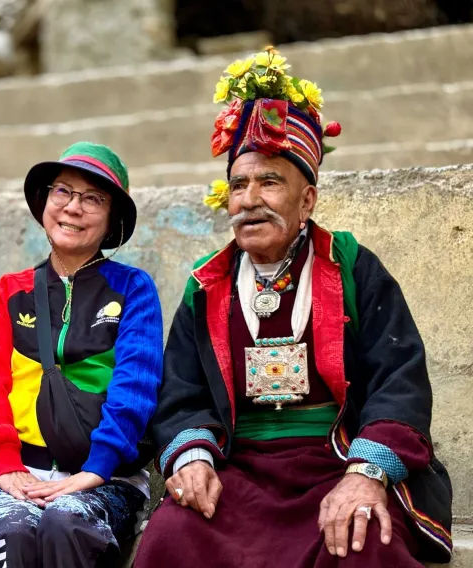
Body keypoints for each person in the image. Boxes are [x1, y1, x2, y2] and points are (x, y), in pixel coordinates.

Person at [134, 48, 453, 567]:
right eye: (239, 185)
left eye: (269, 182)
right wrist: (192, 457)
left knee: (361, 540)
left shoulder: (351, 266)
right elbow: (181, 392)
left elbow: (399, 378)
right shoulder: (207, 284)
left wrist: (365, 475)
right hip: (239, 471)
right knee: (173, 534)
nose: (249, 199)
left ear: (306, 201)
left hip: (339, 459)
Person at [0, 141, 163, 567]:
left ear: (111, 219)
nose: (73, 207)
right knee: (15, 531)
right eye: (63, 191)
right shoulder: (10, 291)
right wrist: (4, 465)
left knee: (67, 523)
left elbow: (135, 387)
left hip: (106, 476)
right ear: (45, 202)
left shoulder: (133, 289)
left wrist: (96, 469)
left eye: (93, 198)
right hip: (18, 471)